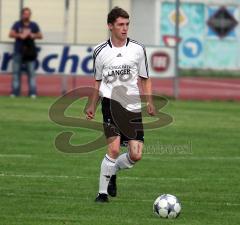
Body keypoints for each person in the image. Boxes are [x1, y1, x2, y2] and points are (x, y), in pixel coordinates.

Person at [86, 7, 156, 203]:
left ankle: (113, 171)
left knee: (136, 155)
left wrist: (149, 101)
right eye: (120, 25)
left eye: (127, 24)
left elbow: (145, 78)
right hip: (110, 104)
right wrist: (92, 104)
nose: (125, 28)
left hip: (132, 107)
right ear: (110, 26)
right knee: (114, 149)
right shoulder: (100, 51)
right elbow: (98, 82)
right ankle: (102, 194)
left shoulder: (138, 49)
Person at [9, 7, 43, 98]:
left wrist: (32, 35)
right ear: (22, 14)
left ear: (30, 15)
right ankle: (15, 92)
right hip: (18, 51)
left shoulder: (33, 25)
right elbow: (11, 34)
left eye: (28, 14)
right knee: (16, 73)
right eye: (25, 14)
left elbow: (40, 35)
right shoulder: (17, 24)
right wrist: (20, 35)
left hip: (29, 53)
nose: (26, 15)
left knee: (31, 73)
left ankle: (32, 93)